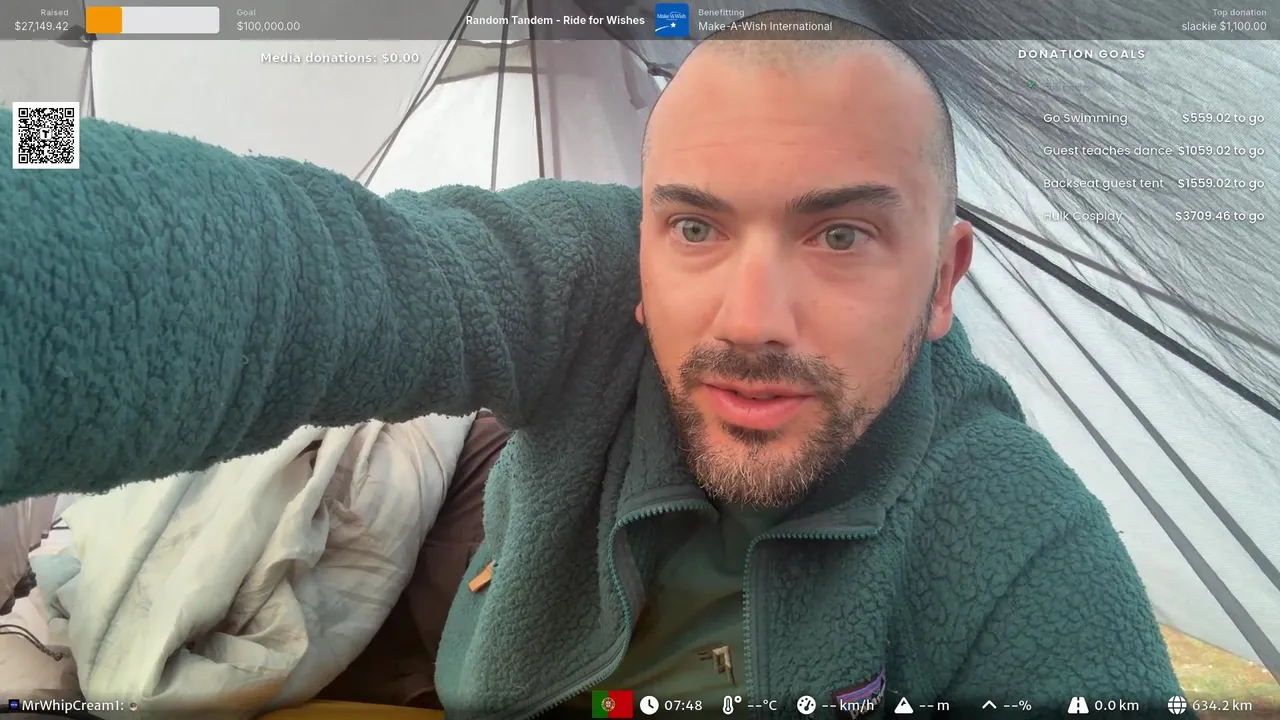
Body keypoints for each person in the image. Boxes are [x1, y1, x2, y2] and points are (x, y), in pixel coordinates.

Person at [0, 9, 1186, 719]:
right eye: (695, 226)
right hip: (495, 525)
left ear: (941, 280)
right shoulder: (585, 271)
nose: (750, 319)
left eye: (839, 235)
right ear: (641, 241)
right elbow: (331, 273)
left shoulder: (1005, 524)